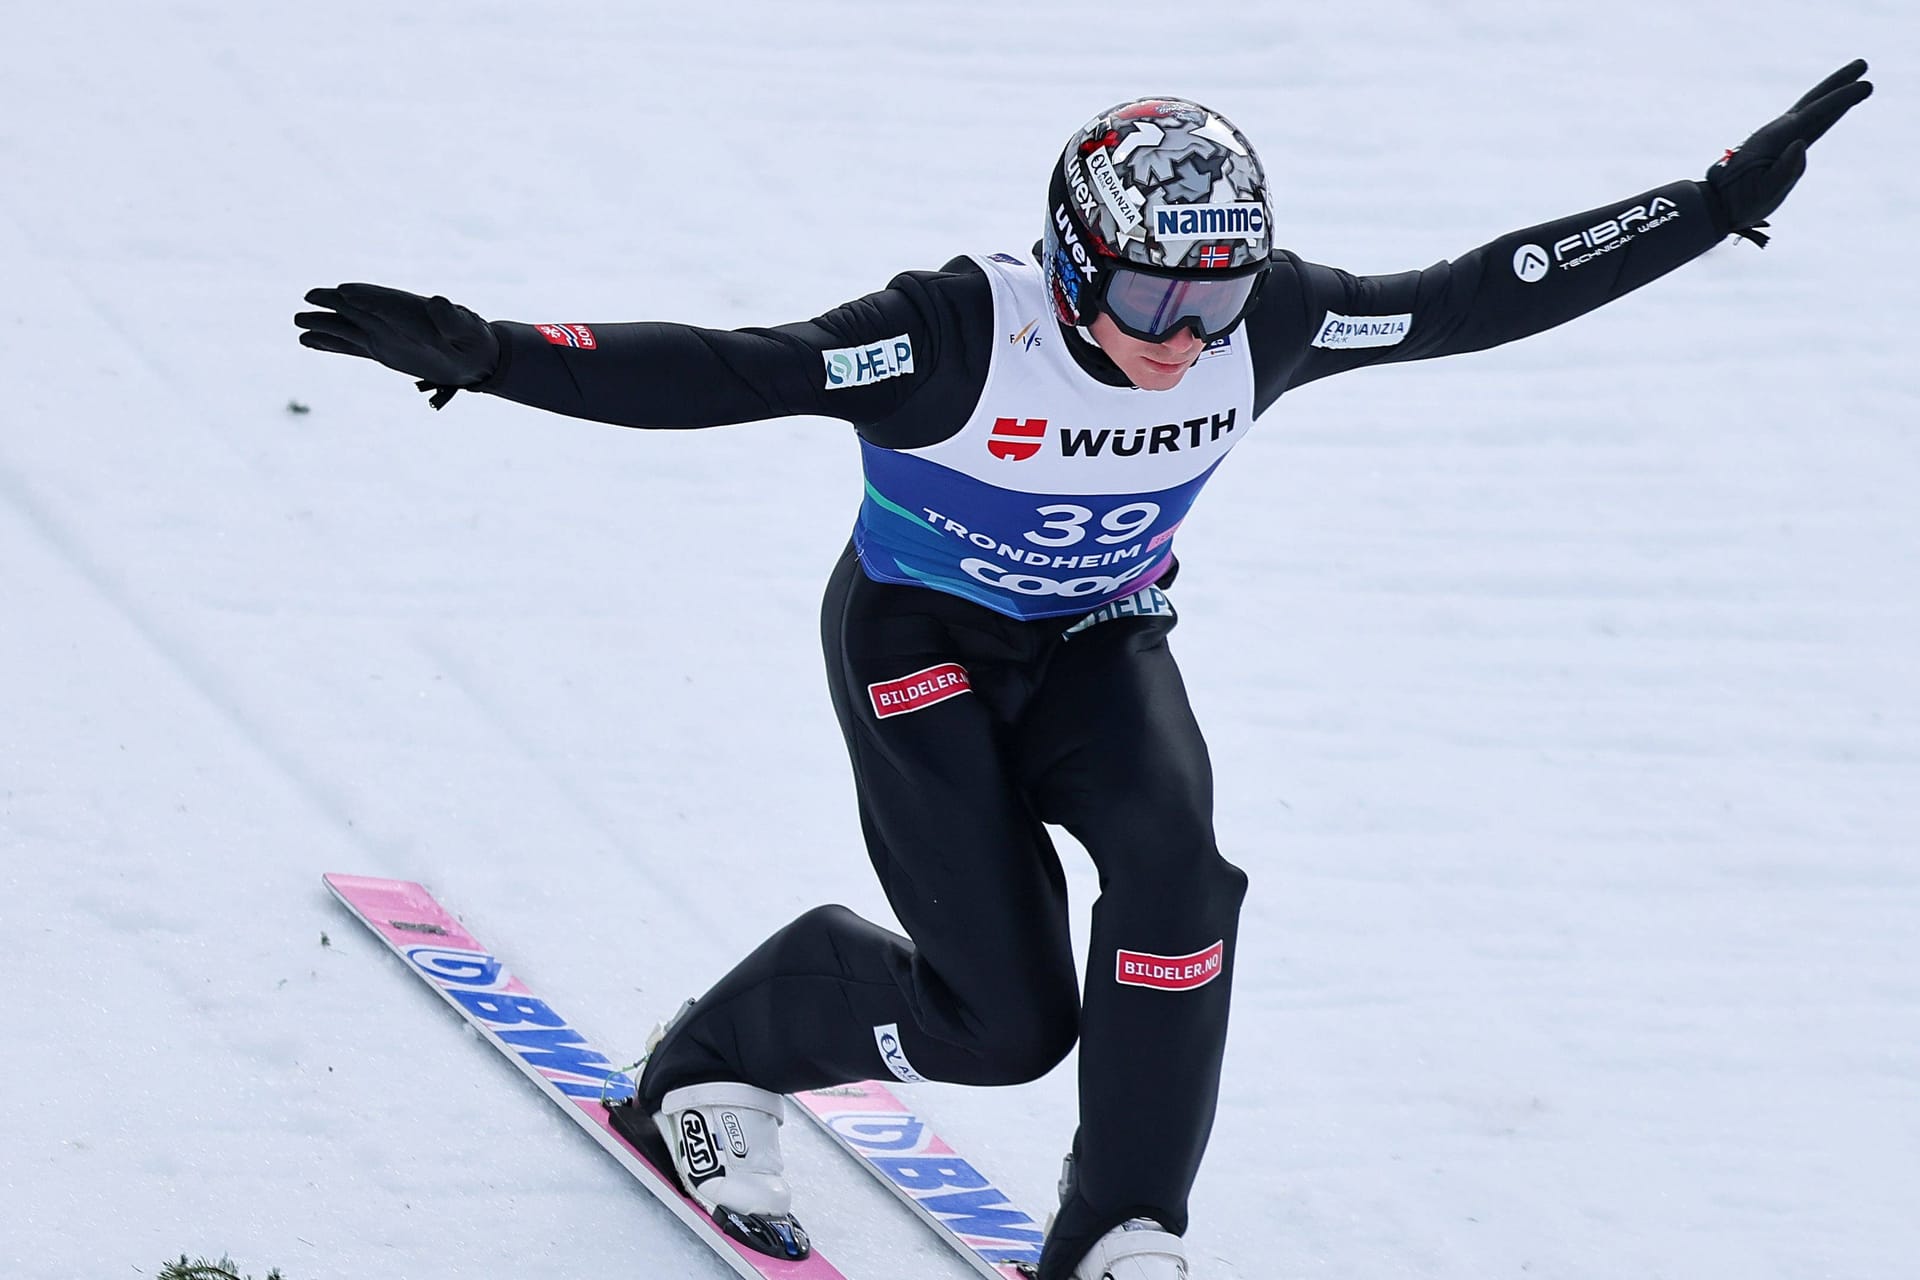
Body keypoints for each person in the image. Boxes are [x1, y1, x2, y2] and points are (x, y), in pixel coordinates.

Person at [296, 64, 1871, 1280]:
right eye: (1154, 300)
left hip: (1104, 644)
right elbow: (733, 371)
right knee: (1004, 1029)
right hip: (920, 654)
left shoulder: (1272, 320)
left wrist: (1708, 202)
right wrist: (498, 353)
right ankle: (713, 1065)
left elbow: (1474, 297)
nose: (1190, 340)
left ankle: (1122, 1227)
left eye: (1219, 299)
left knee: (1184, 889)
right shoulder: (952, 338)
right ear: (1071, 263)